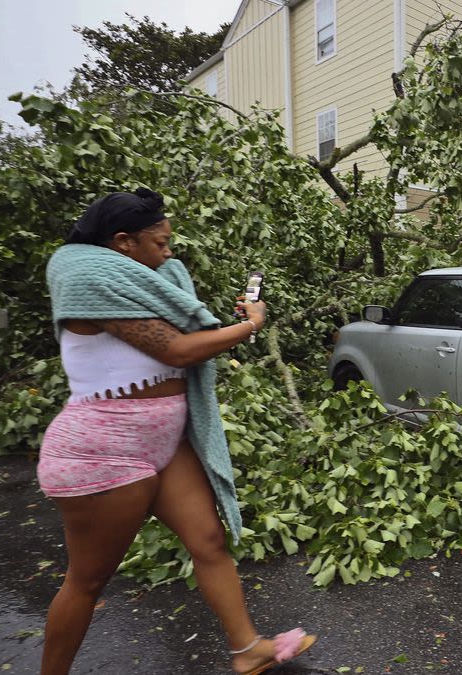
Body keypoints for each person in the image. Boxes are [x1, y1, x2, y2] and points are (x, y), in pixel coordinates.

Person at [38, 188, 315, 675]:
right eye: (161, 243)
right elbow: (178, 351)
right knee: (87, 579)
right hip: (105, 448)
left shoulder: (138, 282)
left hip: (164, 440)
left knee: (207, 540)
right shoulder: (90, 282)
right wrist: (249, 325)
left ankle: (247, 649)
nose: (169, 253)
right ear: (124, 242)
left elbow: (185, 330)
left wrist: (222, 322)